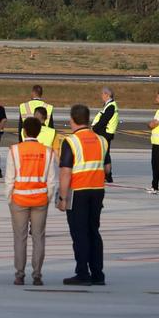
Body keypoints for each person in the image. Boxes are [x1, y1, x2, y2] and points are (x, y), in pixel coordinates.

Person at [56, 104, 107, 286]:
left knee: (79, 234)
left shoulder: (71, 141)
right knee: (94, 231)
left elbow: (65, 172)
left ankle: (82, 273)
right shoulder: (101, 140)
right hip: (97, 191)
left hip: (78, 192)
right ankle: (98, 274)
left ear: (73, 120)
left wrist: (62, 198)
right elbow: (107, 167)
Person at [7, 117, 53, 286]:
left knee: (20, 238)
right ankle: (37, 274)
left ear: (24, 131)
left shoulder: (15, 150)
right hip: (40, 199)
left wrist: (9, 199)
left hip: (19, 198)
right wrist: (46, 198)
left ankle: (19, 274)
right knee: (38, 237)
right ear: (39, 131)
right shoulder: (47, 151)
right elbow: (52, 180)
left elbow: (9, 179)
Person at [96, 87, 119, 184]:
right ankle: (107, 175)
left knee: (105, 155)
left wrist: (94, 129)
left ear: (107, 95)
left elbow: (104, 120)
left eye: (102, 94)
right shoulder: (109, 105)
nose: (101, 96)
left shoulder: (111, 106)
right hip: (105, 133)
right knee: (105, 154)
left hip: (105, 133)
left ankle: (108, 175)